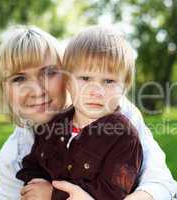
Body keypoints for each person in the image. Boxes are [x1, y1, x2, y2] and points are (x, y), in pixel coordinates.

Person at [0, 25, 177, 200]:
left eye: (49, 73)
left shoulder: (118, 113)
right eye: (19, 78)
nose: (37, 90)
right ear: (3, 89)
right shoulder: (13, 155)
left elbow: (160, 183)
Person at [16, 26, 144, 200]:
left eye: (109, 81)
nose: (96, 90)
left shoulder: (124, 137)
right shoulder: (52, 127)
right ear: (68, 82)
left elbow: (112, 193)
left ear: (125, 86)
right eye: (85, 78)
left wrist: (53, 195)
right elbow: (32, 165)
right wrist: (33, 186)